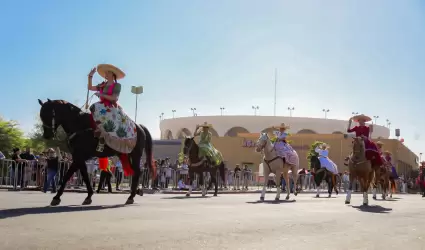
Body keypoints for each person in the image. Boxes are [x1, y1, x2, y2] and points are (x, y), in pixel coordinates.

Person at [87, 64, 136, 176]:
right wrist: (90, 76)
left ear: (112, 75)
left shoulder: (117, 85)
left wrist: (101, 94)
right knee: (94, 109)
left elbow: (114, 98)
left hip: (111, 107)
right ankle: (98, 137)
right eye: (105, 73)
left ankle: (104, 139)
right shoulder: (102, 84)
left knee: (99, 110)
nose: (105, 74)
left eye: (108, 72)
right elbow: (90, 88)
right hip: (101, 106)